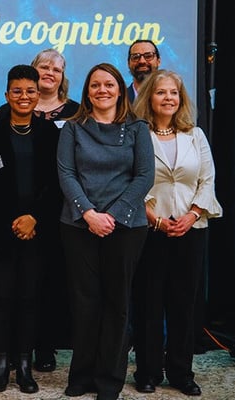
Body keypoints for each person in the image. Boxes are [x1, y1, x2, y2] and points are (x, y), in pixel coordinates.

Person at [57, 63, 154, 400]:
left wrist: (110, 215)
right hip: (78, 225)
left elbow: (144, 177)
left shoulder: (138, 128)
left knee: (117, 304)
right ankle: (81, 377)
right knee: (85, 303)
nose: (102, 90)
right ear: (87, 91)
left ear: (118, 89)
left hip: (126, 226)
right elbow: (67, 175)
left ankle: (109, 382)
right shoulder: (72, 128)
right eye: (95, 85)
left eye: (109, 84)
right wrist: (89, 214)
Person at [131, 69, 222, 397]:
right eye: (161, 92)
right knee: (148, 304)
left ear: (180, 99)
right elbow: (131, 180)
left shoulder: (195, 135)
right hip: (148, 229)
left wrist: (193, 214)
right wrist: (153, 218)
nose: (168, 97)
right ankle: (148, 371)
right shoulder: (137, 134)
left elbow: (207, 179)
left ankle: (182, 373)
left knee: (184, 305)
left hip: (191, 229)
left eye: (174, 93)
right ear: (149, 98)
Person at [0, 48, 79, 373]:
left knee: (47, 285)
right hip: (8, 222)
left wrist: (37, 216)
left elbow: (63, 174)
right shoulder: (4, 115)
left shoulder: (75, 112)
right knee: (8, 290)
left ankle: (43, 348)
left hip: (55, 216)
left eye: (57, 68)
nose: (50, 72)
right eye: (44, 66)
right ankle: (10, 354)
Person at [0, 65, 60, 394]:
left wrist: (33, 218)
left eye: (30, 91)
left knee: (29, 298)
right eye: (17, 91)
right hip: (0, 231)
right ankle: (1, 366)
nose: (23, 97)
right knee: (1, 297)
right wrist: (15, 220)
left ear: (38, 95)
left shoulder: (52, 134)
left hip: (39, 232)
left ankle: (24, 367)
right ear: (7, 95)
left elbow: (57, 184)